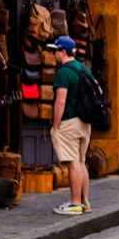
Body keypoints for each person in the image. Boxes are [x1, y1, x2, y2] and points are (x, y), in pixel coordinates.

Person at [49, 35, 95, 215]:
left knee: (72, 163)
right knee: (81, 162)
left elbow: (60, 101)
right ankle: (84, 202)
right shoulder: (84, 69)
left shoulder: (63, 72)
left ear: (62, 52)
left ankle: (75, 203)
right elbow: (97, 90)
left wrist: (55, 124)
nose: (53, 54)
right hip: (85, 122)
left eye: (55, 51)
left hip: (69, 120)